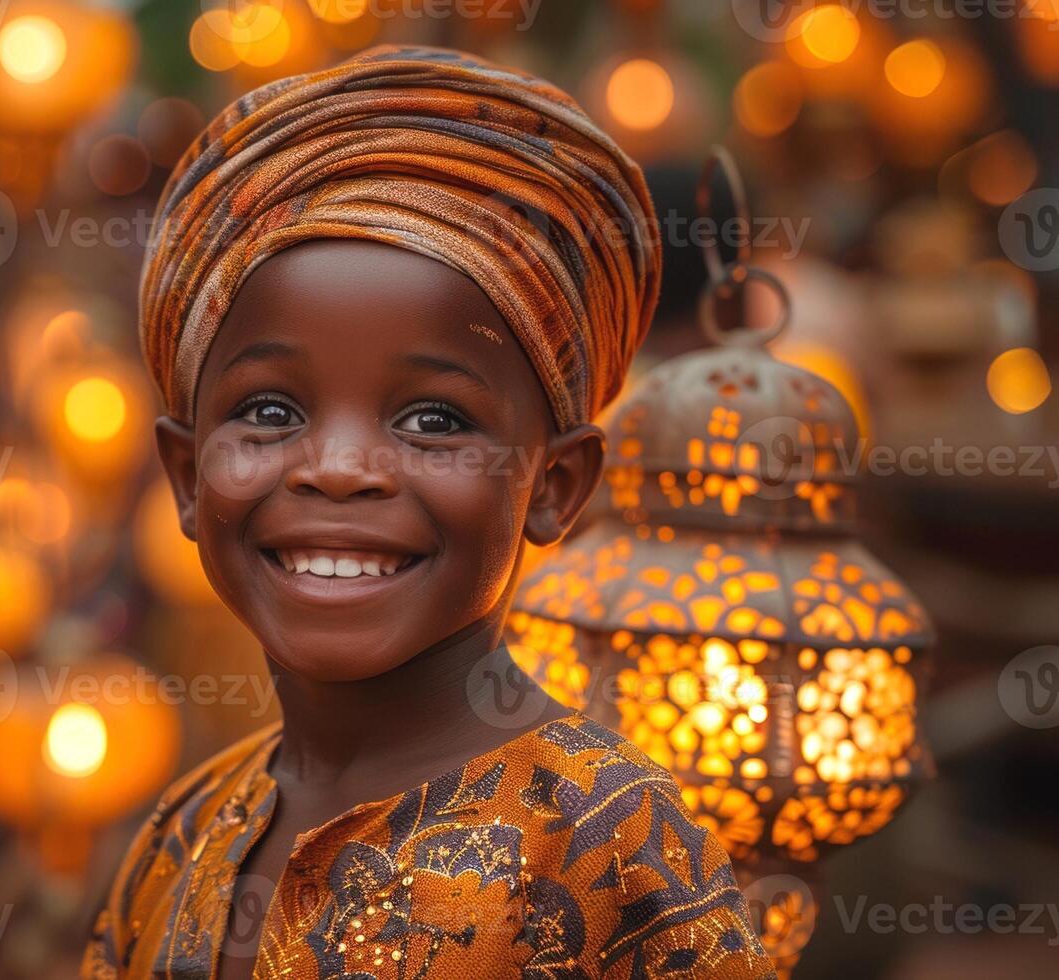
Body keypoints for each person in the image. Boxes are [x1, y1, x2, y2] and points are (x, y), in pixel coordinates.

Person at [83, 46, 774, 979]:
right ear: (184, 475)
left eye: (434, 420)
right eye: (270, 412)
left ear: (555, 485)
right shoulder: (187, 827)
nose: (336, 469)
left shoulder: (613, 843)